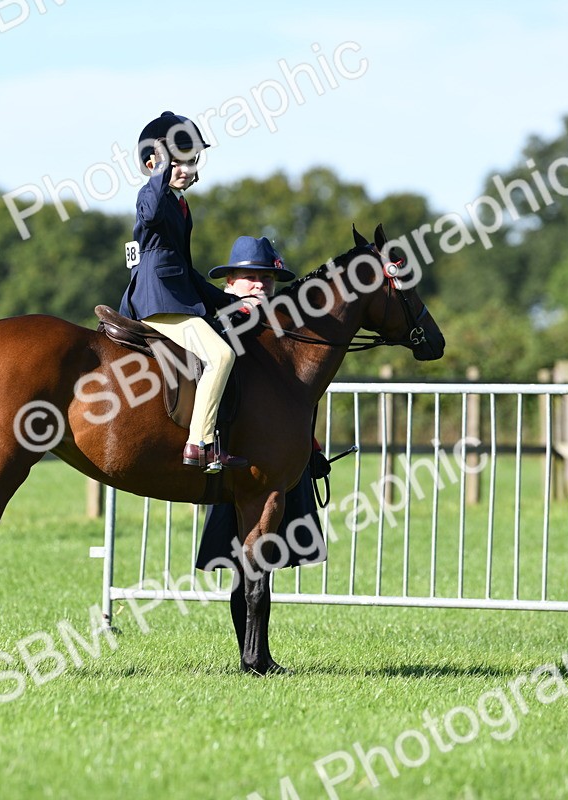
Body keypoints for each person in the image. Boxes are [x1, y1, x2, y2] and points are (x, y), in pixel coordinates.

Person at [119, 111, 246, 472]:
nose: (187, 170)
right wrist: (161, 166)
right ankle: (199, 443)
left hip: (175, 295)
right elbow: (149, 213)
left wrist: (229, 301)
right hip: (159, 301)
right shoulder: (152, 194)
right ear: (153, 163)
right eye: (179, 163)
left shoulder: (180, 204)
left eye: (192, 162)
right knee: (221, 356)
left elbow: (186, 272)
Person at [195, 236, 332, 572]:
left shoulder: (284, 332)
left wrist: (310, 447)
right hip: (232, 461)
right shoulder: (215, 329)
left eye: (266, 278)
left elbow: (292, 402)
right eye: (251, 278)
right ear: (229, 283)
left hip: (273, 464)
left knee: (261, 567)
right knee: (241, 568)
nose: (259, 285)